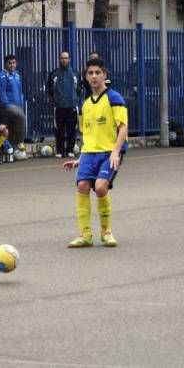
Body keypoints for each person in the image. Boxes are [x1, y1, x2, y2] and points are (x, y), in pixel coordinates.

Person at [63, 58, 128, 248]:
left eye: (97, 73)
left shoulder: (114, 98)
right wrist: (80, 158)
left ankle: (106, 232)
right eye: (90, 73)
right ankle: (85, 235)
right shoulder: (85, 105)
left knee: (100, 187)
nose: (94, 76)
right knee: (82, 185)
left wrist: (115, 152)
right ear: (86, 77)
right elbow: (87, 136)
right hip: (89, 153)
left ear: (104, 75)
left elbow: (123, 127)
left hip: (109, 152)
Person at [47, 51, 81, 159]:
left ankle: (70, 150)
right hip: (59, 106)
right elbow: (50, 89)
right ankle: (60, 151)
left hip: (72, 105)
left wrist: (74, 98)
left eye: (66, 58)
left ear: (69, 59)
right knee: (59, 129)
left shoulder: (75, 74)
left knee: (72, 129)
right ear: (59, 59)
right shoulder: (54, 74)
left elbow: (79, 89)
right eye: (62, 58)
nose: (64, 60)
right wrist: (57, 98)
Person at [0, 54, 27, 160]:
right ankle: (20, 144)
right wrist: (6, 106)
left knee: (12, 129)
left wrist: (21, 104)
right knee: (21, 118)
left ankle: (12, 150)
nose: (12, 65)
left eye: (14, 63)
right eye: (9, 63)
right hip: (7, 106)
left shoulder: (17, 75)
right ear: (5, 64)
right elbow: (1, 93)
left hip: (18, 105)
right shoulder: (2, 76)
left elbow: (19, 91)